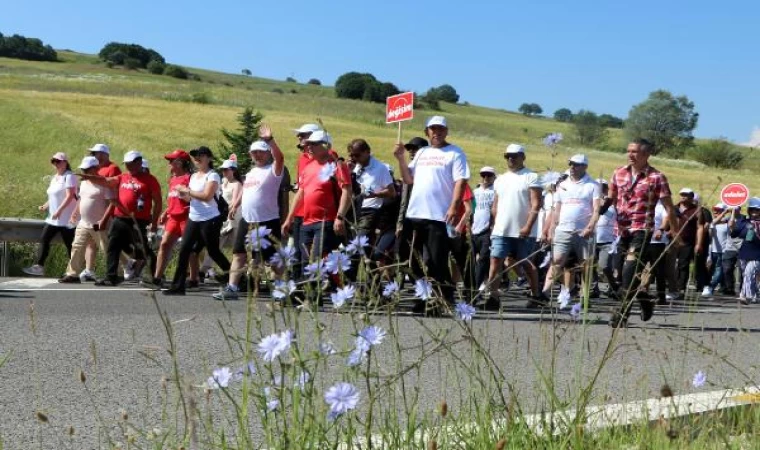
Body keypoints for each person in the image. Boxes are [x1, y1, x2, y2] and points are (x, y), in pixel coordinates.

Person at [394, 116, 470, 312]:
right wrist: (401, 158)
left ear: (446, 131)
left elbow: (460, 181)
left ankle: (443, 299)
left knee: (436, 261)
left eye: (440, 129)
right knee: (409, 258)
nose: (436, 132)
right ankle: (424, 295)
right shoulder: (422, 153)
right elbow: (408, 179)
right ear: (426, 132)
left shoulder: (455, 153)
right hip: (415, 214)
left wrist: (454, 206)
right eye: (432, 129)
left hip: (438, 215)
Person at [601, 138, 678, 328]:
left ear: (646, 154)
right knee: (622, 275)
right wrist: (596, 214)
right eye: (628, 151)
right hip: (622, 229)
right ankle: (644, 298)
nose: (630, 155)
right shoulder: (618, 173)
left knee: (629, 271)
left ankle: (621, 315)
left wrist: (675, 232)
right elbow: (610, 199)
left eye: (634, 151)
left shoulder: (657, 177)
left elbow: (669, 207)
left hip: (643, 229)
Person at [215, 126, 286, 301]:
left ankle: (281, 289)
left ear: (268, 153)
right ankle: (232, 288)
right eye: (254, 152)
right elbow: (247, 191)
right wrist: (235, 204)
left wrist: (270, 140)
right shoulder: (252, 172)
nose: (257, 155)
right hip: (248, 220)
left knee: (273, 258)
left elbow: (280, 157)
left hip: (267, 221)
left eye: (261, 152)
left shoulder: (274, 170)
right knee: (238, 253)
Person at [82, 150, 162, 286]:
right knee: (113, 246)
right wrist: (90, 177)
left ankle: (155, 276)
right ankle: (111, 276)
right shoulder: (122, 177)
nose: (128, 167)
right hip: (120, 218)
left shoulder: (150, 180)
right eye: (126, 164)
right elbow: (107, 181)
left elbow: (158, 203)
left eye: (131, 163)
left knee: (143, 249)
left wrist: (154, 223)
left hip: (139, 220)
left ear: (139, 162)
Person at [283, 130, 352, 281]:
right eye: (307, 145)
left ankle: (315, 296)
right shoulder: (308, 167)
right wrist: (289, 218)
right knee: (304, 261)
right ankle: (311, 297)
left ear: (325, 145)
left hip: (326, 221)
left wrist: (340, 217)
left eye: (312, 144)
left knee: (316, 259)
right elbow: (300, 194)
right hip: (306, 221)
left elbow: (347, 192)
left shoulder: (337, 165)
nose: (308, 147)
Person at [164, 146, 231, 295]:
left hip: (209, 219)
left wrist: (187, 191)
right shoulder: (193, 176)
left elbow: (207, 196)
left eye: (201, 155)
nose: (197, 158)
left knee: (213, 251)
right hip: (194, 217)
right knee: (184, 250)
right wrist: (183, 195)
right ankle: (177, 286)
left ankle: (235, 276)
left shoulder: (213, 176)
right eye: (195, 156)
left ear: (209, 158)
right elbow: (191, 198)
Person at [485, 143, 544, 310]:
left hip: (523, 231)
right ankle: (493, 296)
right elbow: (495, 205)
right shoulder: (500, 179)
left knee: (525, 263)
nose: (511, 158)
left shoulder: (531, 176)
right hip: (501, 230)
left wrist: (527, 226)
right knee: (495, 260)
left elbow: (536, 204)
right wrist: (496, 224)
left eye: (515, 155)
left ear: (523, 157)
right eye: (507, 156)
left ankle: (536, 295)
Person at [545, 154, 601, 302]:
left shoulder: (593, 185)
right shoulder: (562, 186)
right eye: (571, 164)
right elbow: (556, 209)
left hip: (583, 231)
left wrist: (590, 226)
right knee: (557, 260)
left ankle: (585, 295)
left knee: (586, 264)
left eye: (576, 165)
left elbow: (596, 209)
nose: (572, 167)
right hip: (563, 229)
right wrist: (552, 229)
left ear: (584, 167)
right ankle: (545, 292)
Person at [58, 157, 117, 283]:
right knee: (77, 246)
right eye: (83, 169)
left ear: (96, 169)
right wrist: (75, 213)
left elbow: (112, 203)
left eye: (86, 169)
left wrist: (104, 220)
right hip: (83, 222)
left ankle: (114, 274)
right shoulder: (84, 182)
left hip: (99, 224)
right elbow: (81, 198)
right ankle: (72, 274)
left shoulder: (104, 183)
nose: (83, 172)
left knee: (106, 249)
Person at [24, 152, 78, 276]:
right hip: (53, 219)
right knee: (44, 239)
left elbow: (70, 196)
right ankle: (39, 266)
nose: (56, 164)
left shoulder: (69, 176)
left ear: (65, 162)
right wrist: (45, 205)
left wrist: (59, 211)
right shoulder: (55, 178)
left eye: (59, 161)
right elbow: (53, 196)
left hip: (66, 219)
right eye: (54, 161)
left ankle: (75, 270)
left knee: (70, 246)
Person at [150, 149, 193, 287]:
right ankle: (157, 278)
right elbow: (173, 199)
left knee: (189, 249)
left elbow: (192, 198)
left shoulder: (189, 178)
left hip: (186, 216)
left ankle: (194, 278)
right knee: (164, 244)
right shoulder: (173, 179)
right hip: (173, 217)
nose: (169, 164)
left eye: (171, 161)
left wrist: (185, 194)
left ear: (179, 163)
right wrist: (165, 212)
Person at [82, 143, 122, 281]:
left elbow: (113, 193)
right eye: (93, 153)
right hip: (92, 214)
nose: (93, 155)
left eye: (96, 153)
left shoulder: (113, 168)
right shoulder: (92, 167)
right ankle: (89, 270)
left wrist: (107, 216)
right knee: (91, 243)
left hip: (105, 213)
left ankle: (122, 268)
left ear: (104, 154)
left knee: (106, 244)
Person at [199, 155, 243, 279]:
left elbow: (234, 202)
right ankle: (203, 271)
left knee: (237, 249)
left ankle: (238, 274)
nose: (223, 172)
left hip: (234, 220)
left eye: (226, 169)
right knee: (215, 246)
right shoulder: (223, 182)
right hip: (223, 219)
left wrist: (225, 211)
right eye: (223, 169)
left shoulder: (237, 184)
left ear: (233, 170)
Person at [348, 139, 396, 246]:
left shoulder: (380, 168)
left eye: (357, 155)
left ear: (367, 152)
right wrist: (348, 173)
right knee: (355, 244)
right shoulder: (354, 167)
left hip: (370, 211)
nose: (354, 158)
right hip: (354, 210)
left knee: (356, 246)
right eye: (352, 155)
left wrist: (375, 194)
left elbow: (392, 192)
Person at [289, 123, 322, 272]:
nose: (299, 138)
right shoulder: (302, 158)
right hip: (300, 212)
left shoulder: (327, 157)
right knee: (297, 251)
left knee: (310, 253)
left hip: (316, 214)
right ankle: (297, 285)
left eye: (303, 135)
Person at [729, 198, 760, 304]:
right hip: (744, 252)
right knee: (746, 275)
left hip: (757, 253)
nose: (754, 213)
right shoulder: (743, 222)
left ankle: (746, 296)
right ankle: (755, 293)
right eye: (752, 210)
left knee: (749, 273)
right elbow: (734, 234)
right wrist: (732, 225)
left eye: (757, 210)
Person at [590, 179, 617, 298]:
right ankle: (593, 289)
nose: (600, 189)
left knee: (604, 266)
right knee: (590, 266)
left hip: (608, 240)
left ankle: (614, 287)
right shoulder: (592, 202)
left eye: (602, 187)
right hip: (592, 239)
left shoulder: (612, 203)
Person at [471, 167, 497, 291]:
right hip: (474, 229)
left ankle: (476, 288)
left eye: (489, 175)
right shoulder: (475, 192)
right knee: (471, 260)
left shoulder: (496, 192)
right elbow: (472, 210)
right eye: (483, 175)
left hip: (487, 230)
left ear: (494, 177)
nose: (486, 178)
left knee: (483, 259)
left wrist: (493, 227)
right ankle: (478, 282)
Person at [702, 203, 730, 297]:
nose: (715, 212)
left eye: (718, 210)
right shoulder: (713, 223)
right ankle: (723, 287)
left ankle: (711, 287)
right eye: (715, 210)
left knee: (719, 269)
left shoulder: (728, 223)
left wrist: (728, 213)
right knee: (714, 270)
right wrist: (723, 214)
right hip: (714, 250)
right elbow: (713, 223)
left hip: (724, 251)